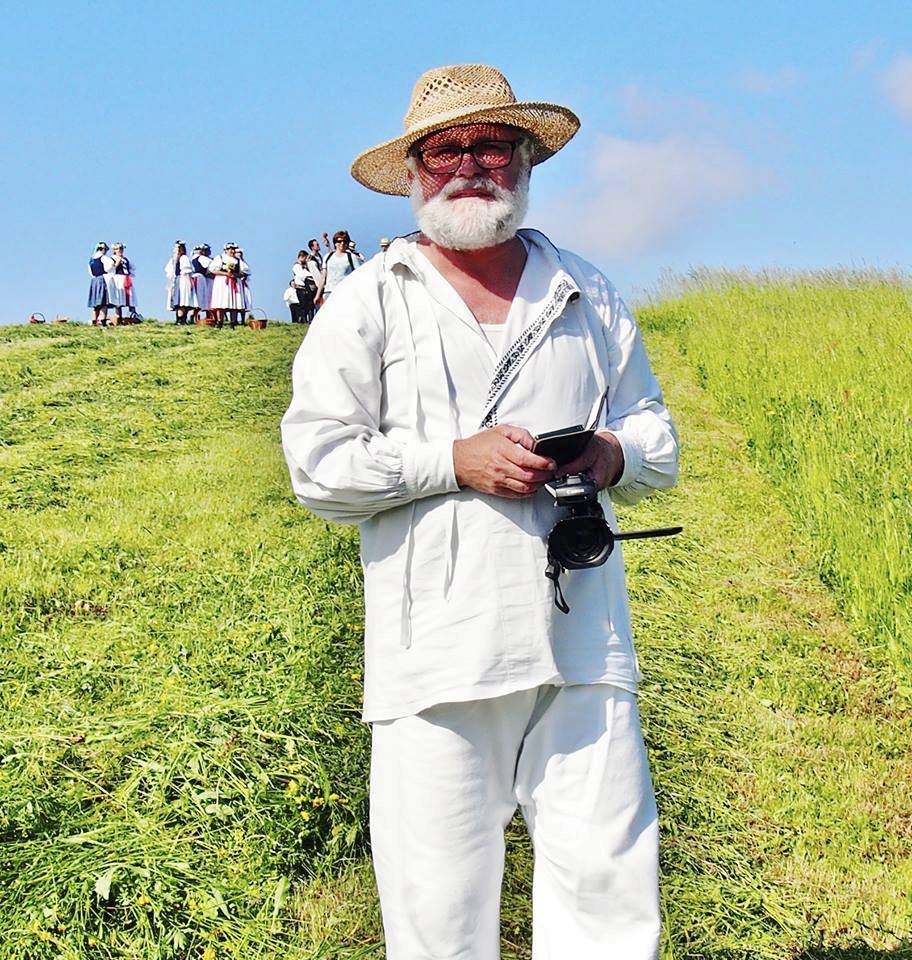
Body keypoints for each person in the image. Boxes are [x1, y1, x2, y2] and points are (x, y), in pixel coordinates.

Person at [280, 64, 680, 959]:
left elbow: (656, 433)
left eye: (490, 144)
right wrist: (450, 462)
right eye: (444, 149)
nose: (469, 164)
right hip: (437, 647)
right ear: (415, 171)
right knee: (437, 911)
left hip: (583, 638)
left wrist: (608, 454)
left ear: (527, 160)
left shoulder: (587, 292)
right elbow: (317, 464)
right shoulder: (369, 301)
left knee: (608, 890)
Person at [315, 229, 359, 301]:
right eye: (339, 241)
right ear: (335, 243)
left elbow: (358, 275)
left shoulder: (352, 257)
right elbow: (323, 277)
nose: (342, 243)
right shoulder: (328, 257)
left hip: (345, 292)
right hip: (328, 292)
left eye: (344, 241)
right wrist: (318, 295)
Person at [209, 242, 247, 328]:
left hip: (234, 282)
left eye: (234, 249)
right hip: (222, 282)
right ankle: (220, 322)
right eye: (230, 249)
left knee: (234, 303)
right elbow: (213, 270)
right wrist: (226, 274)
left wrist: (235, 275)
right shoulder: (220, 258)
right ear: (226, 250)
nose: (232, 251)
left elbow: (243, 272)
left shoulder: (237, 260)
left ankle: (233, 323)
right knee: (221, 302)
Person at [165, 240, 193, 325]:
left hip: (177, 280)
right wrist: (190, 282)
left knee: (180, 299)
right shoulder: (183, 258)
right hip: (183, 279)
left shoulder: (175, 259)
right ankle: (181, 319)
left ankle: (180, 319)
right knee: (182, 299)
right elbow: (186, 271)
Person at [87, 241, 113, 326]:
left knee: (96, 305)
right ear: (102, 249)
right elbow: (109, 267)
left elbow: (90, 272)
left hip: (94, 281)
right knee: (103, 303)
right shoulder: (103, 258)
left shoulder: (91, 260)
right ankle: (103, 322)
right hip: (102, 279)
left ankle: (94, 322)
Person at [109, 242, 136, 324]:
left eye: (121, 248)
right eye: (117, 249)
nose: (120, 250)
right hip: (118, 278)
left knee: (130, 297)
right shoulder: (112, 258)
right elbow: (111, 269)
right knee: (119, 299)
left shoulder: (126, 259)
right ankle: (119, 318)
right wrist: (117, 262)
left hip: (126, 278)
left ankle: (133, 316)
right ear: (114, 250)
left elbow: (132, 269)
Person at [291, 249, 317, 323]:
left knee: (309, 305)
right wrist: (312, 275)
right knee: (303, 306)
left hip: (306, 288)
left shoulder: (304, 267)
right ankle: (303, 320)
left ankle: (309, 320)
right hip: (301, 288)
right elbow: (303, 275)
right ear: (301, 257)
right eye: (305, 258)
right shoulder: (296, 266)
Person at [190, 243, 214, 323]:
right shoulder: (202, 258)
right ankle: (194, 316)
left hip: (197, 278)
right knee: (200, 298)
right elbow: (211, 267)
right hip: (200, 279)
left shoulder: (192, 258)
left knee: (198, 298)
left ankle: (193, 317)